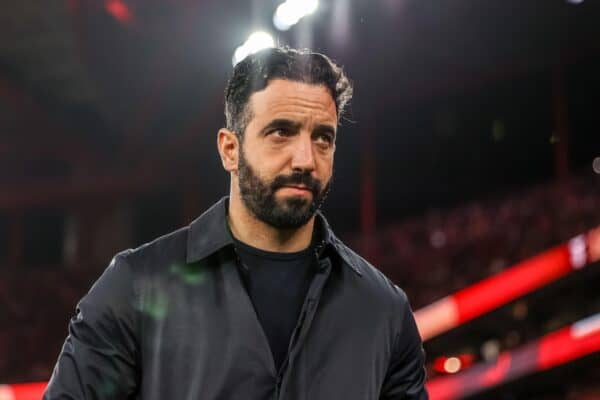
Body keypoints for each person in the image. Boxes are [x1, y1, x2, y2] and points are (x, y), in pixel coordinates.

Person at [44, 47, 428, 400]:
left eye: (323, 138)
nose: (305, 159)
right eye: (282, 132)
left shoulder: (384, 311)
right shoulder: (134, 287)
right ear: (230, 149)